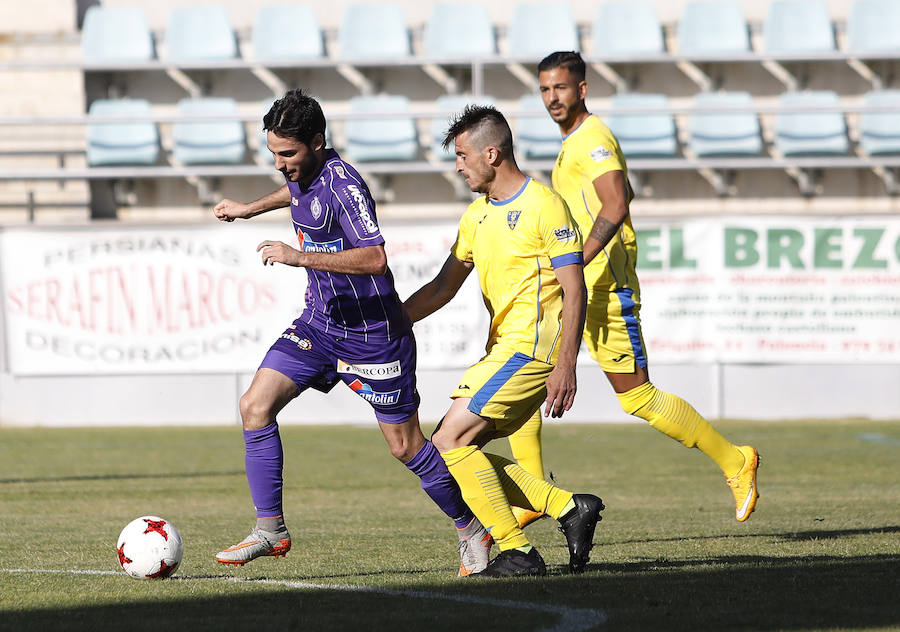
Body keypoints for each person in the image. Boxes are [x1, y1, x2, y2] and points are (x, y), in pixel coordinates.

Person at [211, 89, 492, 576]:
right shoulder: (304, 173)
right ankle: (270, 529)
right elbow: (295, 192)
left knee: (406, 447)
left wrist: (298, 256)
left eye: (289, 154)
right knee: (254, 406)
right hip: (320, 325)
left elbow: (375, 257)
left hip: (374, 336)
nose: (280, 165)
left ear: (317, 143)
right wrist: (248, 208)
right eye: (273, 153)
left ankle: (471, 529)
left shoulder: (346, 187)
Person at [521, 51, 760, 522]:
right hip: (577, 287)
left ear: (582, 89)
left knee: (637, 397)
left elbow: (615, 202)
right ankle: (531, 496)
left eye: (561, 88)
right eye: (545, 89)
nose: (552, 97)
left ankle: (737, 460)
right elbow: (611, 197)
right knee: (523, 373)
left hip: (605, 286)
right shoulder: (573, 142)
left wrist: (579, 258)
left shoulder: (593, 139)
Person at [404, 105, 604, 578]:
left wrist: (567, 363)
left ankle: (517, 551)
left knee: (449, 440)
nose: (457, 165)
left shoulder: (545, 204)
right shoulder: (476, 216)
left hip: (534, 351)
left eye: (462, 154)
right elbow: (441, 288)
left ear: (491, 153)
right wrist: (391, 322)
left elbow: (575, 287)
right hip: (502, 351)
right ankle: (568, 506)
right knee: (457, 450)